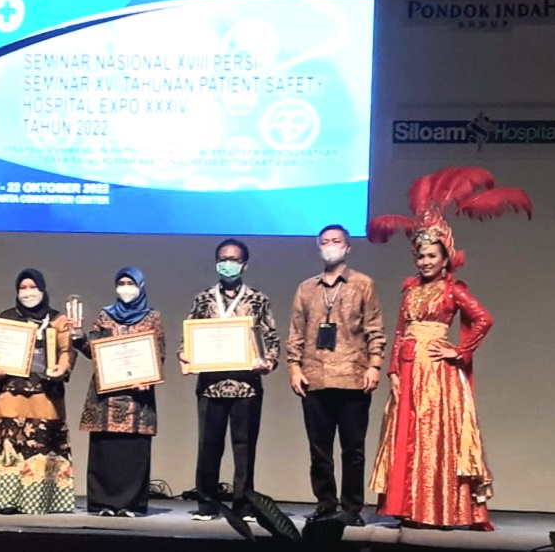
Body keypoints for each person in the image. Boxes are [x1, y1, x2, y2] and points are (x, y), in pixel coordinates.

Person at [366, 166, 532, 530]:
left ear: (445, 258)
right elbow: (400, 331)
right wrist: (393, 371)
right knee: (407, 437)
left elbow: (484, 319)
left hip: (437, 376)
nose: (425, 261)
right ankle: (409, 508)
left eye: (431, 256)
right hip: (408, 371)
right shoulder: (410, 290)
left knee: (434, 438)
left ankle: (438, 510)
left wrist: (459, 350)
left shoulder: (453, 290)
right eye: (421, 256)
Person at [286, 224, 386, 527]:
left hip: (353, 376)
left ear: (347, 247)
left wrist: (374, 365)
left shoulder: (363, 284)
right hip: (314, 376)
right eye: (326, 241)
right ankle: (325, 504)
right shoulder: (306, 288)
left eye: (337, 241)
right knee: (319, 449)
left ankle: (351, 508)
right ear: (319, 247)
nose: (331, 246)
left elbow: (374, 328)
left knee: (353, 449)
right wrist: (294, 367)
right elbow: (296, 331)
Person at [177, 238, 279, 522]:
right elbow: (188, 336)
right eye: (223, 259)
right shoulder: (203, 298)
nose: (228, 264)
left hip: (247, 387)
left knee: (244, 449)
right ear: (216, 263)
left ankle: (244, 506)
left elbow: (271, 338)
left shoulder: (258, 299)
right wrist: (185, 354)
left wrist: (268, 361)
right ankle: (207, 504)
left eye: (234, 259)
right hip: (210, 387)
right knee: (208, 447)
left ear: (244, 264)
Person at [0, 269, 76, 515]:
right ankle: (6, 500)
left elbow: (67, 351)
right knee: (8, 446)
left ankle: (41, 501)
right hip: (10, 394)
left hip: (45, 394)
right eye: (23, 288)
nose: (28, 292)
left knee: (42, 445)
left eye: (33, 287)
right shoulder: (7, 318)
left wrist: (62, 368)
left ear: (42, 289)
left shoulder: (58, 320)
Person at [74, 267, 166, 518]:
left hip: (137, 399)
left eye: (130, 283)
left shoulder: (153, 317)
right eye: (121, 283)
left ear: (141, 285)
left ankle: (131, 504)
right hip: (106, 398)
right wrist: (77, 337)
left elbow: (158, 353)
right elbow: (93, 350)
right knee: (105, 452)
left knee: (132, 453)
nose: (126, 287)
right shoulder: (105, 316)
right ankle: (102, 503)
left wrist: (148, 376)